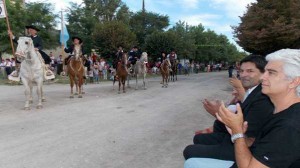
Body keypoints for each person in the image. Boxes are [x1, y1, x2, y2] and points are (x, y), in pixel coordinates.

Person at [185, 49, 300, 168]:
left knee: (191, 160)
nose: (263, 77)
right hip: (250, 154)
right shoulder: (282, 111)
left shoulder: (290, 125)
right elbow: (255, 141)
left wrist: (237, 132)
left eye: (271, 72)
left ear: (294, 81)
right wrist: (237, 130)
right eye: (265, 71)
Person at [183, 55, 274, 162]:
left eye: (250, 71)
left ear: (264, 73)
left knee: (189, 150)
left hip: (245, 148)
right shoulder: (253, 91)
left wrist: (219, 113)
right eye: (241, 71)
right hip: (234, 138)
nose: (243, 75)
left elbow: (248, 136)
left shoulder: (262, 97)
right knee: (198, 138)